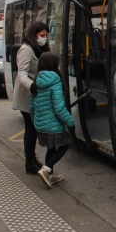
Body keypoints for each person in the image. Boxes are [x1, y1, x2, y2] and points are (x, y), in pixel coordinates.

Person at [29, 52, 76, 188]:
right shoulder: (55, 81)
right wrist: (70, 122)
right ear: (54, 65)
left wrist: (35, 122)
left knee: (51, 147)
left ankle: (49, 176)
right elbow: (59, 108)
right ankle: (46, 169)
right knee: (64, 145)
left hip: (40, 124)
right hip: (53, 125)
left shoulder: (36, 81)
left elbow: (31, 107)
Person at [11, 21, 50, 174]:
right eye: (42, 35)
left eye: (46, 35)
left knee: (31, 129)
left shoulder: (38, 48)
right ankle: (29, 162)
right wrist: (32, 85)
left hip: (35, 95)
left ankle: (32, 159)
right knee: (31, 129)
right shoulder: (26, 50)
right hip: (27, 95)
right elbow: (22, 73)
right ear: (34, 35)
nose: (44, 38)